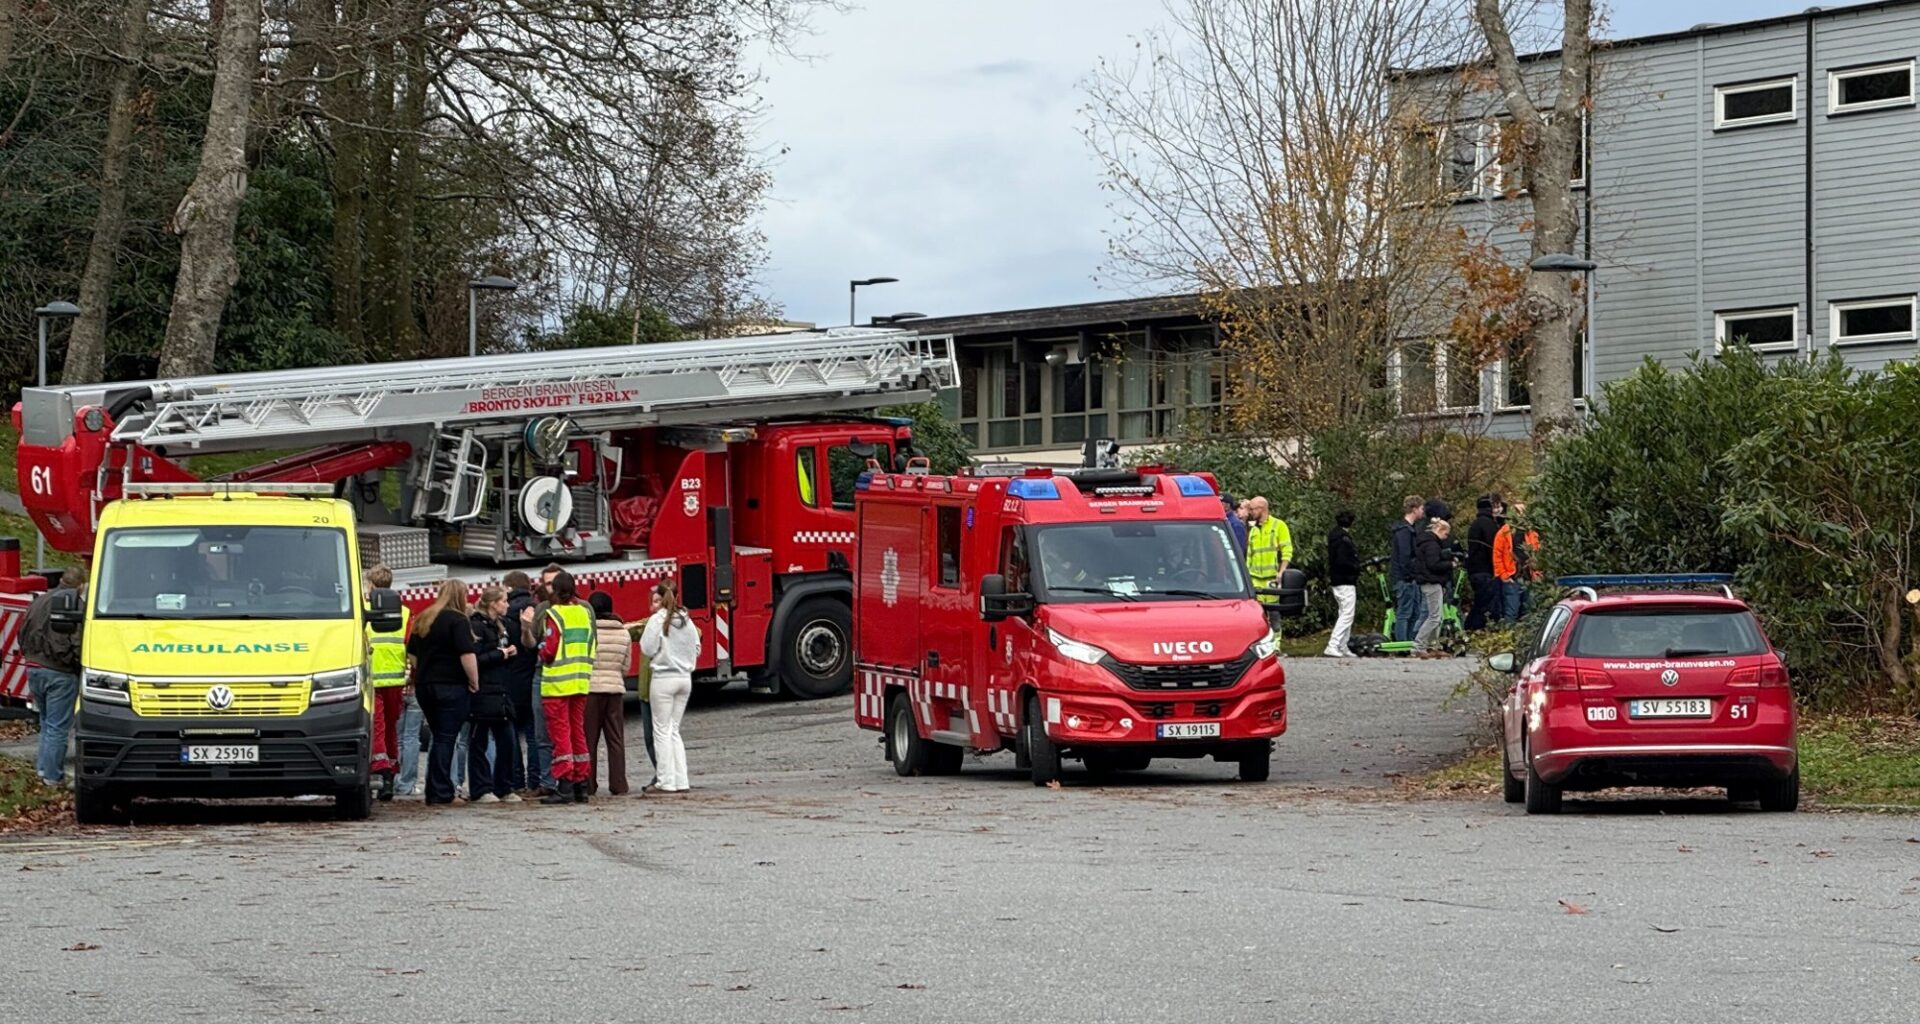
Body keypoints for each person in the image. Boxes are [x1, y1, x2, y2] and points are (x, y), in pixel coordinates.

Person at [408, 580, 480, 806]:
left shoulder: (424, 618)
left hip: (425, 686)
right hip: (451, 686)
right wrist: (474, 681)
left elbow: (412, 655)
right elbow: (467, 654)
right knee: (446, 739)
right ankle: (441, 792)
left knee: (439, 736)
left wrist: (422, 672)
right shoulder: (458, 620)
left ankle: (434, 788)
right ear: (460, 595)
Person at [20, 568, 85, 786]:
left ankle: (42, 770)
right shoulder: (74, 604)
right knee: (58, 727)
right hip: (60, 672)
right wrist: (79, 664)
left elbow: (22, 631)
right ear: (81, 586)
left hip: (34, 668)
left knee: (46, 723)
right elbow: (76, 641)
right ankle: (53, 777)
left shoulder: (39, 601)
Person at [536, 570, 596, 804]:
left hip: (558, 684)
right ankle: (581, 783)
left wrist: (541, 651)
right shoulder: (583, 612)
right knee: (577, 732)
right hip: (580, 681)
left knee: (560, 734)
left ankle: (565, 785)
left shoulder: (555, 614)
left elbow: (549, 650)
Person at [640, 580, 700, 794]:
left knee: (661, 731)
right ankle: (681, 779)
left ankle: (666, 780)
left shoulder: (657, 620)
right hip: (685, 678)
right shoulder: (686, 620)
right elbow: (697, 647)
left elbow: (647, 648)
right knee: (674, 730)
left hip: (663, 678)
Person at [466, 586, 522, 803]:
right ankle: (481, 788)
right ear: (493, 603)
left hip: (501, 691)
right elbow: (475, 659)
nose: (507, 605)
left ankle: (504, 786)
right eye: (504, 601)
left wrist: (511, 654)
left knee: (507, 741)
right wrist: (499, 655)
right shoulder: (477, 626)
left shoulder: (503, 626)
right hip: (482, 691)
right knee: (478, 741)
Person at [363, 564, 410, 801]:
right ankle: (390, 776)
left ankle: (380, 773)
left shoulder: (364, 611)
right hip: (396, 681)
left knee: (377, 728)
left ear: (371, 585)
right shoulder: (405, 612)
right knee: (391, 728)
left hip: (372, 682)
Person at [520, 563, 565, 798]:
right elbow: (529, 644)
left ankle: (570, 781)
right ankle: (548, 782)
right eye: (547, 583)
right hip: (542, 675)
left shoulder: (582, 608)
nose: (551, 587)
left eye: (555, 582)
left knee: (569, 733)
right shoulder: (541, 609)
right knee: (541, 735)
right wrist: (525, 629)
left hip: (569, 676)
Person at [501, 570, 547, 796]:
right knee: (534, 732)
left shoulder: (504, 614)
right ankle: (536, 779)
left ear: (508, 588)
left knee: (511, 733)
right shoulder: (538, 610)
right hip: (534, 677)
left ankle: (516, 780)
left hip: (510, 680)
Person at [584, 591, 633, 797]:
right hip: (614, 690)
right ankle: (619, 784)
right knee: (615, 739)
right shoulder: (624, 633)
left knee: (589, 740)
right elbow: (626, 667)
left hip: (591, 690)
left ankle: (588, 784)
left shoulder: (587, 632)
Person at [1244, 496, 1293, 628]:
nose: (1250, 512)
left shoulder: (1278, 526)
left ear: (1262, 509)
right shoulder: (1253, 529)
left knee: (1274, 614)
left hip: (1272, 578)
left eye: (1252, 509)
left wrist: (1281, 572)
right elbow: (1249, 555)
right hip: (1254, 579)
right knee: (1258, 616)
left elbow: (1287, 550)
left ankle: (1276, 645)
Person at [1412, 519, 1456, 658]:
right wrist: (1450, 564)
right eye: (1446, 534)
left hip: (1428, 582)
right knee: (1434, 617)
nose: (1446, 537)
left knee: (1436, 616)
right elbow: (1433, 564)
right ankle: (1419, 645)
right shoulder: (1432, 545)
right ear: (1440, 530)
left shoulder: (1424, 542)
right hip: (1431, 582)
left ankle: (1432, 646)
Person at [1494, 503, 1541, 621]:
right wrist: (1504, 575)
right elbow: (1497, 555)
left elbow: (1539, 553)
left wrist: (1538, 574)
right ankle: (1508, 637)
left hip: (1530, 577)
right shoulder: (1503, 532)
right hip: (1512, 577)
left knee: (1529, 611)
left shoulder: (1531, 532)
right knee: (1511, 613)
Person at [1323, 511, 1360, 659]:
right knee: (1347, 614)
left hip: (1337, 579)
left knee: (1343, 612)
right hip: (1345, 579)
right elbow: (1344, 561)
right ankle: (1333, 644)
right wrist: (1356, 567)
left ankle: (1342, 645)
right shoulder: (1344, 539)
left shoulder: (1334, 537)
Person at [1389, 495, 1426, 643]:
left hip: (1411, 578)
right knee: (1404, 612)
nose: (1423, 512)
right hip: (1405, 579)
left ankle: (1410, 642)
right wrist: (1411, 574)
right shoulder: (1404, 532)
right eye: (1422, 508)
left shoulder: (1409, 530)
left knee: (1415, 612)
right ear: (1414, 509)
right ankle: (1402, 644)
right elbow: (1405, 557)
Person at [1465, 494, 1504, 631]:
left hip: (1477, 570)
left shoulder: (1478, 523)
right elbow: (1494, 549)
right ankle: (1475, 628)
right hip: (1485, 570)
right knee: (1485, 603)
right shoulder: (1488, 525)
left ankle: (1472, 628)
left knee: (1481, 601)